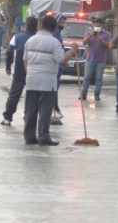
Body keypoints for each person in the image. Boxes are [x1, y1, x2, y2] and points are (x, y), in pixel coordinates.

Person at [23, 15, 80, 146]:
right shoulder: (54, 42)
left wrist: (30, 74)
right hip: (47, 81)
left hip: (31, 78)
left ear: (41, 26)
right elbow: (62, 60)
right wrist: (73, 50)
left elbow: (24, 61)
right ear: (54, 28)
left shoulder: (30, 40)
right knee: (45, 110)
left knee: (30, 109)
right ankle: (43, 136)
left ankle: (29, 136)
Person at [1, 16, 38, 126]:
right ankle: (28, 117)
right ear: (36, 26)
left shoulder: (17, 37)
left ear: (26, 25)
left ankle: (7, 118)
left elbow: (9, 53)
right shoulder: (38, 38)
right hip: (35, 71)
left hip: (19, 71)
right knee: (32, 96)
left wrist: (8, 67)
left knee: (14, 95)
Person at [81, 17, 112, 101]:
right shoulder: (89, 33)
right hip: (90, 58)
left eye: (99, 25)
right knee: (87, 77)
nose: (97, 26)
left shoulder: (107, 34)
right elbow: (84, 42)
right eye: (95, 24)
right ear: (93, 25)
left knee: (98, 78)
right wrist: (91, 35)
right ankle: (83, 93)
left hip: (101, 60)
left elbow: (108, 46)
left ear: (102, 25)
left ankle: (97, 95)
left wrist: (101, 39)